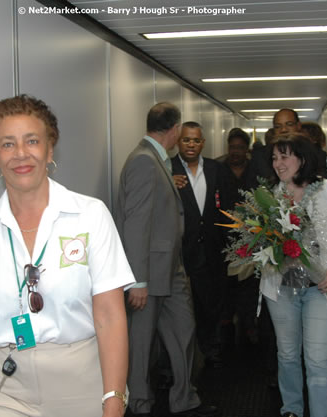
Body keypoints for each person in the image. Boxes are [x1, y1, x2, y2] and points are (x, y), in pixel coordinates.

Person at [0, 95, 134, 417]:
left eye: (32, 141)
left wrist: (113, 401)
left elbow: (110, 318)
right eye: (7, 144)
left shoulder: (90, 216)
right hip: (5, 386)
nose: (21, 154)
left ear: (50, 149)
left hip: (82, 384)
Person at [115, 103, 219, 417]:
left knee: (184, 331)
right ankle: (139, 404)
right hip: (149, 274)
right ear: (173, 130)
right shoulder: (144, 162)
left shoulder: (155, 161)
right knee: (142, 344)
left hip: (172, 269)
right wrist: (139, 281)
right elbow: (135, 225)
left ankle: (184, 399)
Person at [261, 134, 327, 417]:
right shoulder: (269, 195)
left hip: (322, 287)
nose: (278, 164)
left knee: (318, 362)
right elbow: (259, 240)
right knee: (288, 355)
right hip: (281, 289)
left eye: (284, 157)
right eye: (274, 158)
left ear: (302, 159)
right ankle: (291, 409)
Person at [171, 121, 227, 367]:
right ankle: (175, 362)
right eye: (186, 140)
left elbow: (228, 206)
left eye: (195, 140)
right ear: (178, 142)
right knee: (177, 308)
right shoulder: (167, 170)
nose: (191, 144)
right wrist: (167, 184)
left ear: (203, 143)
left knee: (209, 302)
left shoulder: (216, 169)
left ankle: (211, 348)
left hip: (211, 248)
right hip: (180, 249)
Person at [219, 128, 260, 348]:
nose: (235, 152)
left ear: (247, 150)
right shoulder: (218, 169)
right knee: (226, 285)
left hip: (251, 238)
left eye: (240, 147)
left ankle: (249, 325)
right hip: (223, 238)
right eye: (232, 147)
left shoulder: (256, 171)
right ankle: (226, 324)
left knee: (250, 285)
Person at [251, 109, 303, 178]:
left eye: (289, 124)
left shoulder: (312, 153)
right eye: (278, 127)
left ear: (298, 126)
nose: (283, 130)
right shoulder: (260, 157)